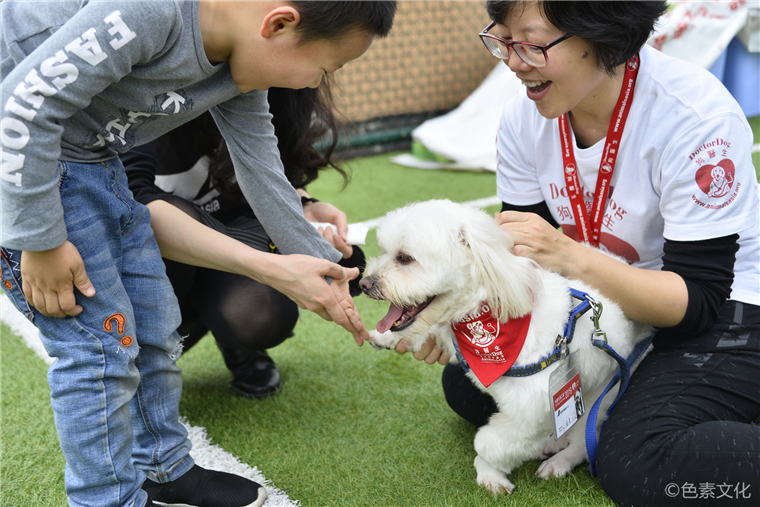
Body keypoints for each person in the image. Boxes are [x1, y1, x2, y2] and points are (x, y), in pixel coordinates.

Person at [0, 1, 396, 506]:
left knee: (154, 324)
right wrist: (40, 240)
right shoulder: (152, 12)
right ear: (278, 24)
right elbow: (21, 104)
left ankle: (163, 468)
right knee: (98, 348)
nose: (308, 85)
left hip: (98, 164)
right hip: (23, 161)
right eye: (323, 69)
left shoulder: (236, 71)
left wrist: (325, 263)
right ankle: (105, 499)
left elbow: (263, 172)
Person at [435, 2, 760, 506]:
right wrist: (455, 320)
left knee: (637, 461)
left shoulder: (695, 118)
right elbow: (524, 262)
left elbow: (695, 304)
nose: (513, 61)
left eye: (533, 43)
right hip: (609, 309)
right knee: (469, 382)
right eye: (502, 39)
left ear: (605, 35)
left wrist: (572, 256)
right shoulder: (525, 117)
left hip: (726, 312)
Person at [121, 83, 366, 399]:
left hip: (234, 224)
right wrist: (272, 265)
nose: (317, 78)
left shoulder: (283, 81)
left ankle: (234, 338)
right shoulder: (158, 78)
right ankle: (155, 342)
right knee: (165, 216)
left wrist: (304, 204)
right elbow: (133, 203)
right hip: (162, 257)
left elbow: (278, 172)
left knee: (258, 314)